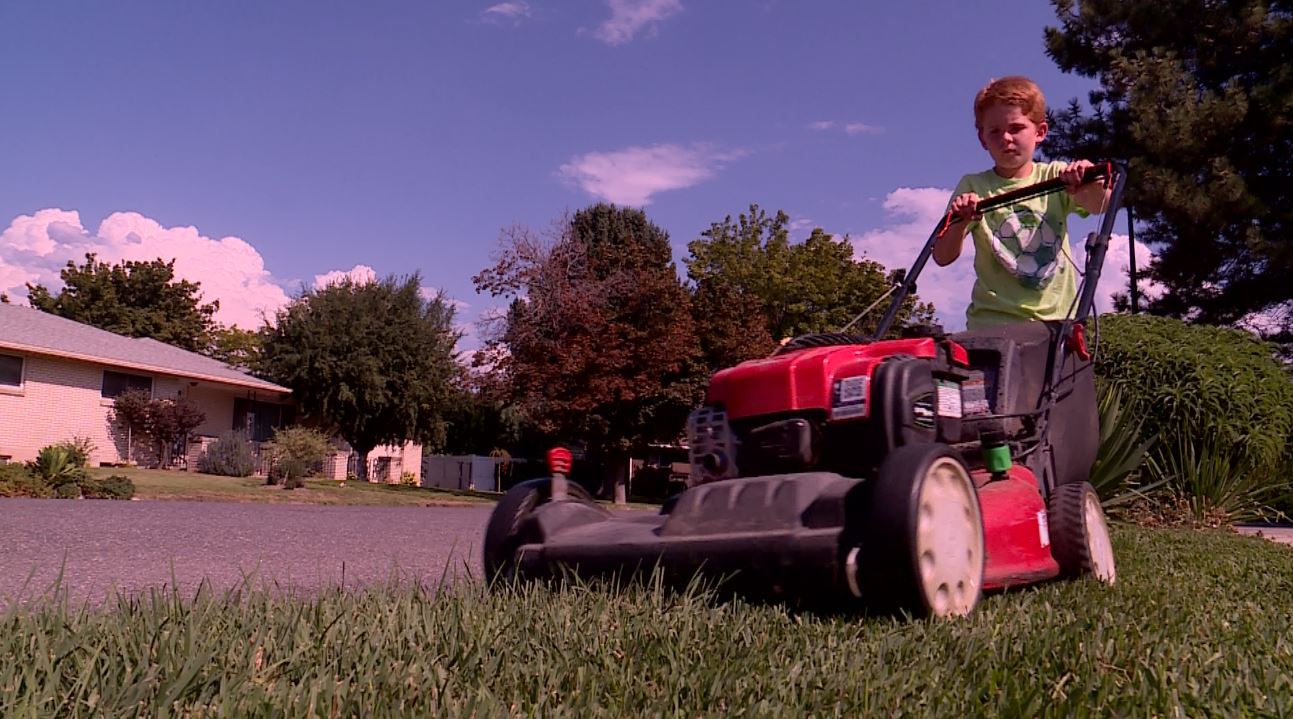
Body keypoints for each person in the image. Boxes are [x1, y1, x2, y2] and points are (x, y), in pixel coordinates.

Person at [933, 75, 1110, 330]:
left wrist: (1089, 182)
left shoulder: (1055, 176)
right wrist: (960, 222)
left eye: (1016, 128)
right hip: (991, 324)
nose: (1005, 138)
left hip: (1056, 325)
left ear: (1040, 132)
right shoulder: (974, 186)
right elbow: (941, 256)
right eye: (995, 131)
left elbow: (1100, 205)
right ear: (982, 139)